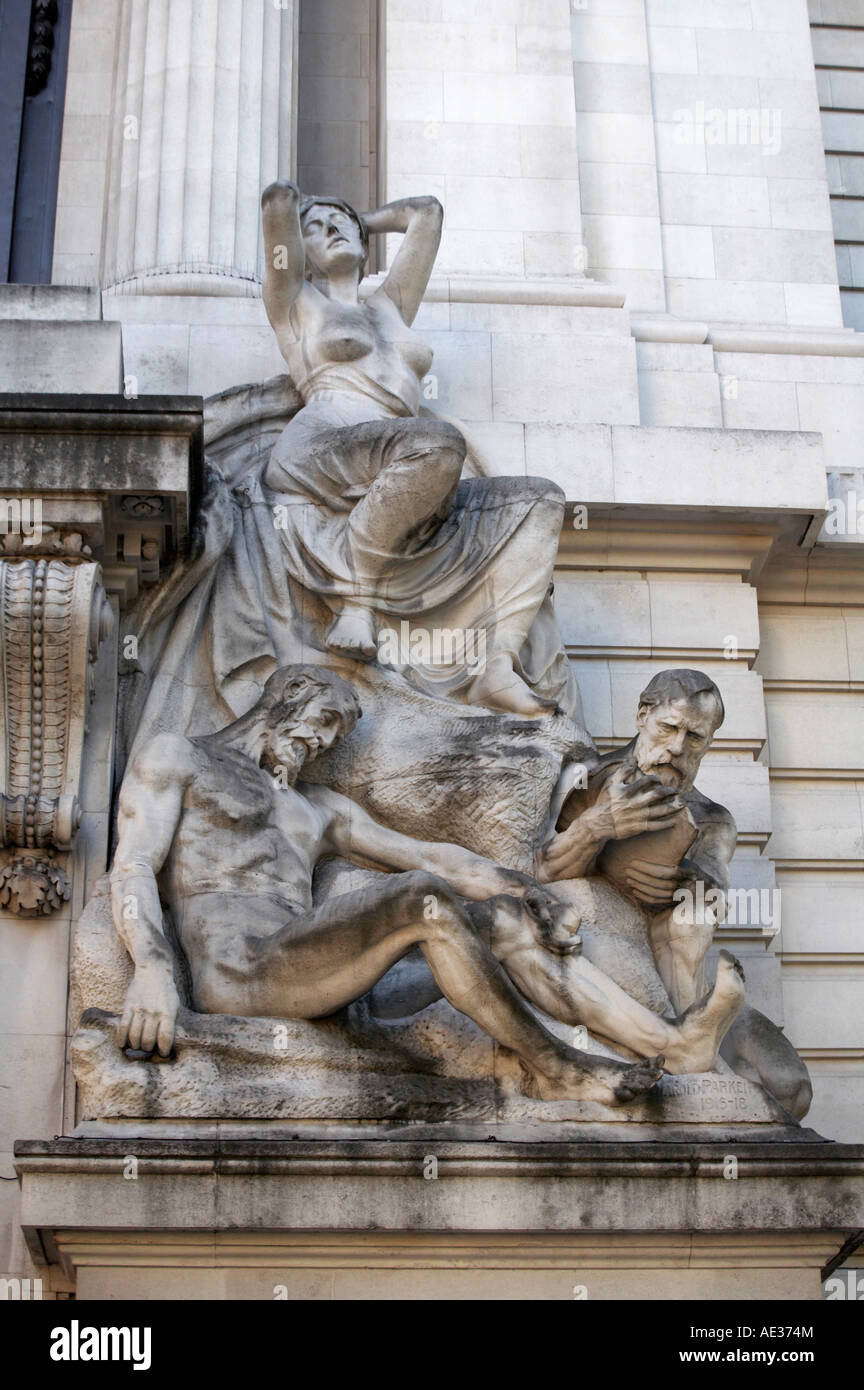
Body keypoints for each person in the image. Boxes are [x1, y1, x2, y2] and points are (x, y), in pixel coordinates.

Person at [109, 666, 747, 1106]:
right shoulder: (181, 758)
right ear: (289, 695)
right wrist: (153, 970)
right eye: (324, 719)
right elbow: (133, 865)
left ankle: (674, 1045)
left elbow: (442, 859)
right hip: (239, 970)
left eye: (336, 735)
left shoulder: (317, 808)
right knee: (420, 898)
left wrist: (533, 893)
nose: (324, 741)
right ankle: (559, 1069)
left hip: (317, 973)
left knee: (499, 919)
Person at [257, 181, 573, 717]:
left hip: (399, 451)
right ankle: (357, 599)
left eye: (341, 223)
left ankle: (495, 668)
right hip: (322, 446)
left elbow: (426, 214)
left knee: (540, 501)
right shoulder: (296, 302)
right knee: (436, 444)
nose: (331, 229)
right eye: (316, 228)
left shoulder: (391, 306)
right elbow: (276, 211)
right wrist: (295, 210)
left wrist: (359, 217)